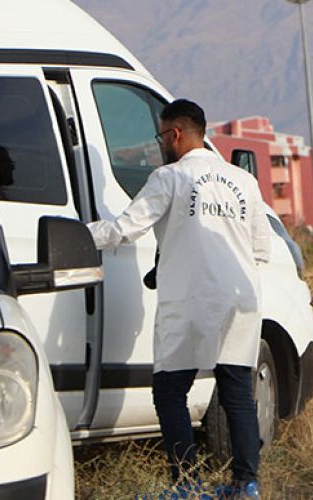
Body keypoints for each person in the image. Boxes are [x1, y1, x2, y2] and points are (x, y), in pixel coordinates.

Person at [87, 99, 270, 499]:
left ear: (174, 134)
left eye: (161, 136)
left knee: (170, 392)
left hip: (191, 301)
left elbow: (125, 229)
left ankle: (187, 485)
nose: (161, 144)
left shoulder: (169, 177)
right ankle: (246, 484)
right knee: (237, 392)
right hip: (241, 300)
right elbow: (261, 249)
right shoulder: (245, 181)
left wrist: (79, 235)